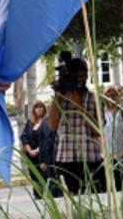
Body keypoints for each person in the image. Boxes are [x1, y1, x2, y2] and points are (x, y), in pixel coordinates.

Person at [48, 54, 103, 194]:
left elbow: (99, 130)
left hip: (91, 158)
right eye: (77, 77)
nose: (81, 80)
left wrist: (79, 107)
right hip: (66, 158)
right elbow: (53, 126)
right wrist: (58, 96)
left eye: (83, 76)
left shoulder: (94, 99)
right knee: (69, 204)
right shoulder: (60, 99)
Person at [20, 100, 53, 197]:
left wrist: (38, 150)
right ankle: (38, 198)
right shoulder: (29, 122)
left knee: (44, 179)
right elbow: (24, 137)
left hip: (42, 156)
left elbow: (46, 138)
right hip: (31, 157)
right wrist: (29, 150)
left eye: (41, 107)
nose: (40, 109)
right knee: (35, 180)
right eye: (37, 107)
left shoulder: (47, 121)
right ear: (34, 109)